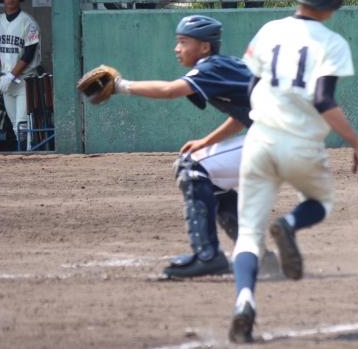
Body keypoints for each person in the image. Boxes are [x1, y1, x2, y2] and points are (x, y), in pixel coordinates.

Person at [228, 0, 358, 343]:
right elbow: (323, 99)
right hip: (302, 145)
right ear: (335, 1)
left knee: (249, 235)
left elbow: (250, 89)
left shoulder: (269, 30)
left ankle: (244, 302)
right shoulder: (333, 43)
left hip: (259, 140)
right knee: (320, 202)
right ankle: (290, 225)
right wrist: (357, 143)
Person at [107, 15, 254, 277]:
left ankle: (207, 255)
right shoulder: (222, 66)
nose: (177, 48)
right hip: (290, 138)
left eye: (184, 42)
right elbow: (243, 116)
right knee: (210, 179)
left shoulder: (211, 67)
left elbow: (169, 91)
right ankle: (255, 253)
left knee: (190, 168)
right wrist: (206, 142)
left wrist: (121, 86)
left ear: (205, 47)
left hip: (279, 139)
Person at [0, 0, 41, 149]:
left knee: (23, 125)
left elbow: (30, 53)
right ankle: (22, 157)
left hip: (25, 79)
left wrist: (10, 76)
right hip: (6, 80)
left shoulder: (28, 21)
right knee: (15, 125)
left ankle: (28, 154)